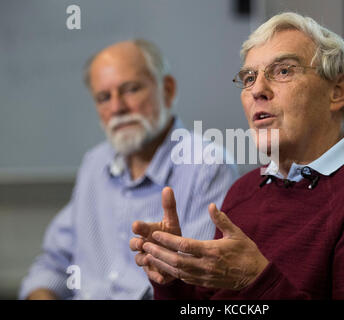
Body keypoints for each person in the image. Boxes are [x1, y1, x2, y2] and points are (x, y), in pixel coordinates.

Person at [130, 12, 344, 299]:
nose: (258, 89)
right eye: (248, 77)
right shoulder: (244, 190)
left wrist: (256, 281)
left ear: (337, 92)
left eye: (283, 71)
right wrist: (173, 280)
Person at [19, 39, 238, 300]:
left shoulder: (206, 165)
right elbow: (53, 263)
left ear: (167, 89)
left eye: (131, 89)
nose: (117, 108)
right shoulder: (95, 164)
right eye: (103, 98)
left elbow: (199, 287)